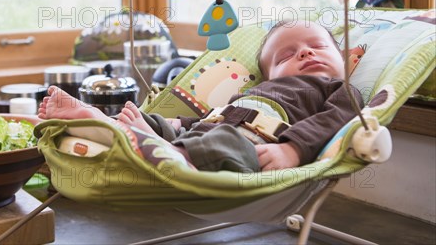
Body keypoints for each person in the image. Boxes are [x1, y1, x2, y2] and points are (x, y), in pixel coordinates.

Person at [38, 20, 364, 172]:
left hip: (258, 139)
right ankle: (104, 122)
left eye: (317, 47)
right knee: (162, 122)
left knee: (226, 143)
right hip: (215, 122)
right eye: (287, 56)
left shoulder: (339, 89)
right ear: (269, 75)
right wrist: (173, 123)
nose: (305, 53)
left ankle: (169, 154)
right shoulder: (255, 90)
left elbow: (335, 120)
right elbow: (213, 117)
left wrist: (293, 150)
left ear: (345, 59)